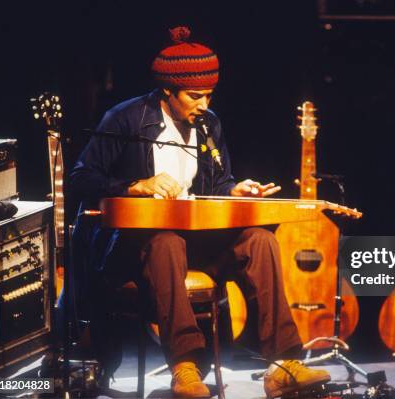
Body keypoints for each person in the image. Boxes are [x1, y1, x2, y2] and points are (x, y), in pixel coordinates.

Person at [69, 26, 330, 398]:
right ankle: (185, 367)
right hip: (137, 247)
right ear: (167, 92)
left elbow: (217, 185)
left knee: (260, 240)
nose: (203, 104)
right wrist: (135, 186)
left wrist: (236, 190)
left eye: (208, 95)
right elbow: (82, 178)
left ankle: (282, 364)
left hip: (202, 242)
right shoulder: (125, 120)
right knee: (165, 242)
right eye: (194, 96)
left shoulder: (209, 124)